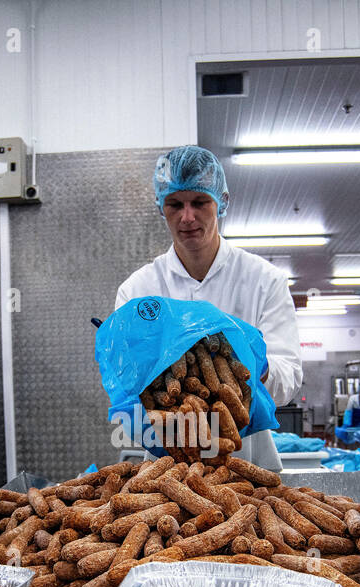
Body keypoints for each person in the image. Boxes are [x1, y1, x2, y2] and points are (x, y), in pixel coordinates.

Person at [115, 146, 302, 471]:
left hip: (251, 463)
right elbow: (126, 385)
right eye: (175, 204)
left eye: (199, 202)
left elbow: (290, 380)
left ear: (222, 201)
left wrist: (257, 364)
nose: (187, 217)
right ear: (161, 207)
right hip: (167, 471)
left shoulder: (264, 280)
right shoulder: (138, 291)